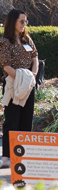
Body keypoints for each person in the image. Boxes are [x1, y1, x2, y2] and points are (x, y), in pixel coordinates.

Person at [0, 9, 39, 169]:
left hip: (28, 85)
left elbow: (35, 58)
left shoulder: (26, 39)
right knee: (12, 120)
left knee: (26, 120)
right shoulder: (5, 42)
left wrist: (32, 76)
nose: (24, 24)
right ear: (13, 22)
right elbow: (5, 65)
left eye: (26, 21)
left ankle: (23, 154)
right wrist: (22, 78)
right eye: (21, 21)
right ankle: (6, 157)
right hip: (13, 85)